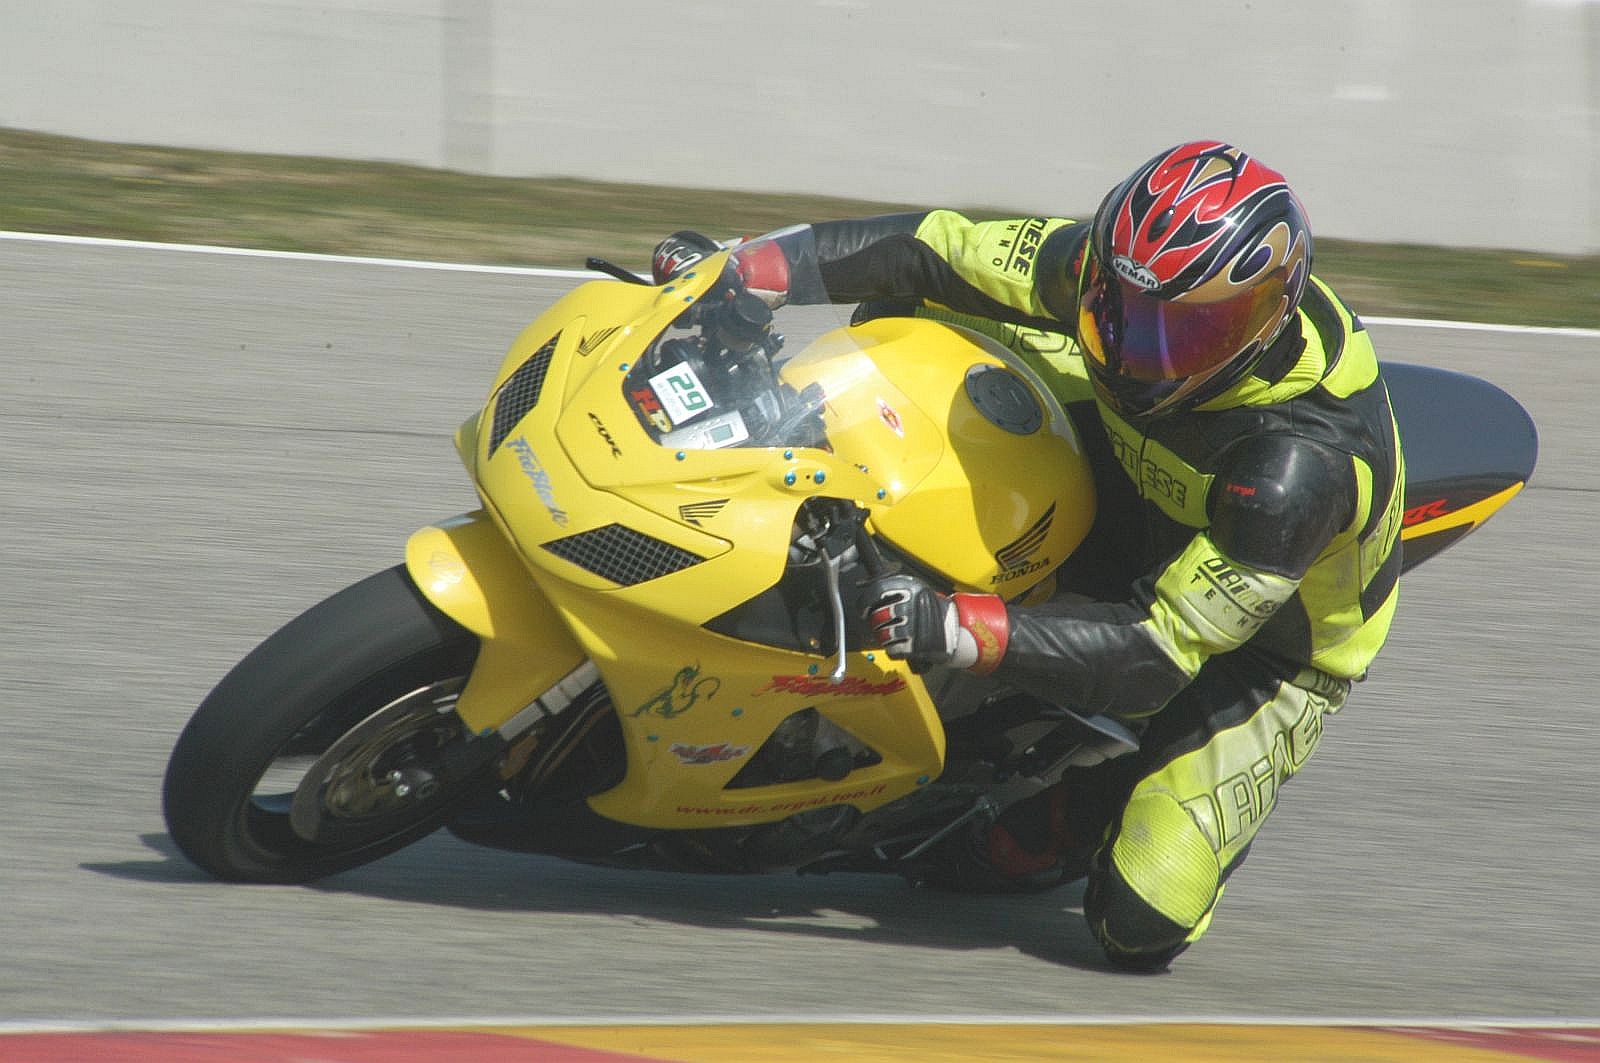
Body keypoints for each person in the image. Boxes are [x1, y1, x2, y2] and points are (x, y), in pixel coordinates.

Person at [653, 140, 1405, 971]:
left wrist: (953, 626)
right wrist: (752, 265)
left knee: (1139, 917)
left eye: (1185, 333)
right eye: (1121, 310)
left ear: (1264, 322)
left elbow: (1156, 654)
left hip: (1263, 650)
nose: (1137, 353)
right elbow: (932, 248)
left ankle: (1094, 799)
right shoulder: (1110, 279)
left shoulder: (1297, 471)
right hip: (1131, 480)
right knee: (911, 309)